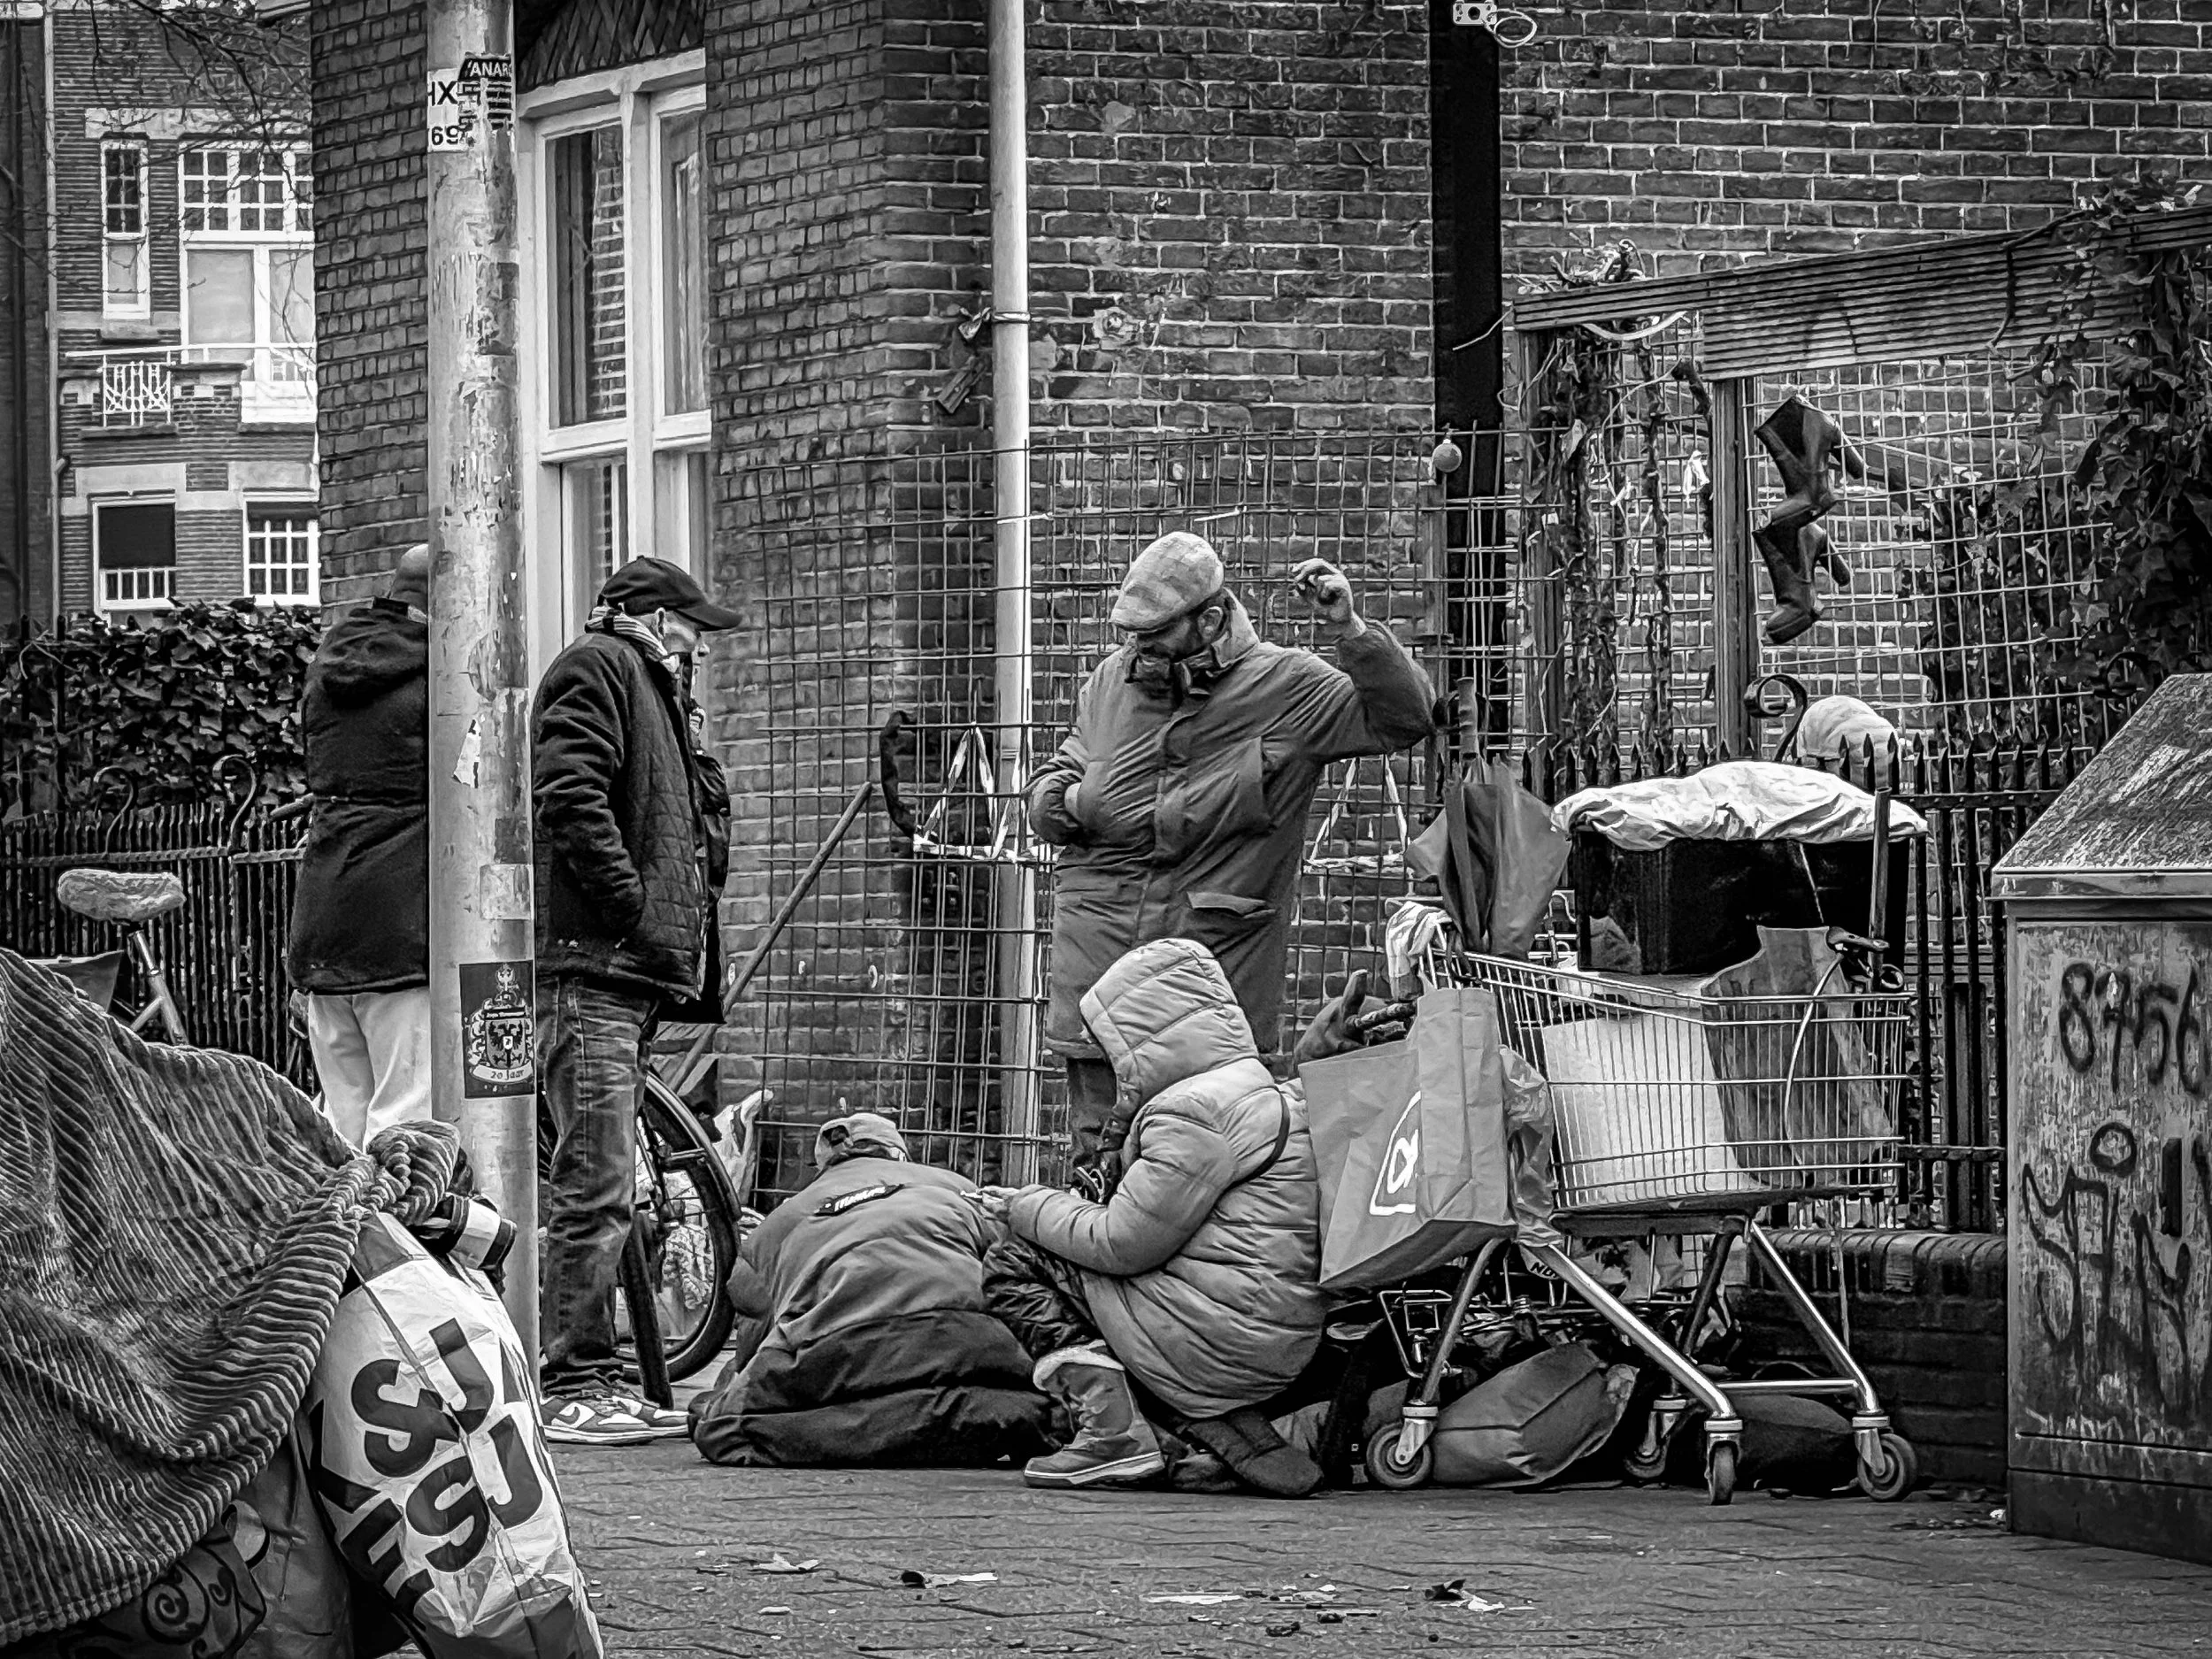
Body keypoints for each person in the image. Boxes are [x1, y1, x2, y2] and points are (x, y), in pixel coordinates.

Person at [1026, 532, 1434, 1182]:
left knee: (1207, 1176)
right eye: (1130, 634)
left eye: (1155, 633)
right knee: (1097, 1172)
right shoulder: (1111, 681)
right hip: (1100, 975)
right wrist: (1072, 802)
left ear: (1211, 620)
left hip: (1211, 994)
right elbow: (1061, 772)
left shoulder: (1286, 686)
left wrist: (1351, 630)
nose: (1137, 648)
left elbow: (1404, 719)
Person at [976, 937, 1329, 1495]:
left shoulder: (1194, 1112)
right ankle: (1184, 1432)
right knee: (1066, 1258)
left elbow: (1122, 1244)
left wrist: (1024, 1206)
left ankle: (1112, 1436)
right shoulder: (1261, 1091)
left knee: (1016, 1260)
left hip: (1217, 1336)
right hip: (1270, 1330)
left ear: (1140, 1038)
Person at [533, 555, 740, 1445]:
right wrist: (628, 906)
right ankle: (575, 1378)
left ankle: (599, 1373)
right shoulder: (600, 668)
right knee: (596, 1182)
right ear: (654, 618)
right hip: (598, 966)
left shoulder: (645, 685)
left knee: (602, 1178)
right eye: (691, 626)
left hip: (624, 968)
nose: (701, 645)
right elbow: (569, 794)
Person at [687, 1111, 1054, 1468]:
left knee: (723, 1427)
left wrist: (735, 1384)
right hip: (971, 1336)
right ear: (898, 1154)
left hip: (839, 1345)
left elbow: (753, 1327)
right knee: (1035, 1401)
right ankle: (993, 1417)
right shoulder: (958, 1187)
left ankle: (865, 1428)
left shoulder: (783, 1218)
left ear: (824, 1168)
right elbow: (1015, 1273)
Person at [286, 544, 432, 1148]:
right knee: (405, 1124)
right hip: (401, 924)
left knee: (341, 1129)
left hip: (324, 916)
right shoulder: (441, 672)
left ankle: (338, 1215)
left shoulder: (327, 666)